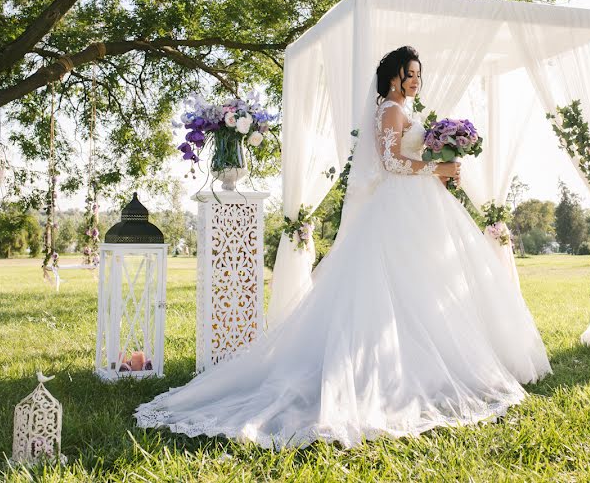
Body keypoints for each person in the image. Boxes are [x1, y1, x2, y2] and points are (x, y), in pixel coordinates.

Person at [135, 46, 551, 448]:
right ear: (393, 77)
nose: (416, 81)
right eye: (411, 74)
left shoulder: (404, 111)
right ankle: (390, 375)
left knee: (426, 288)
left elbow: (408, 159)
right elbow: (390, 164)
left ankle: (425, 366)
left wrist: (441, 167)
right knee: (397, 290)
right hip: (397, 208)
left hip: (419, 204)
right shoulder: (389, 110)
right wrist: (434, 166)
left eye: (419, 75)